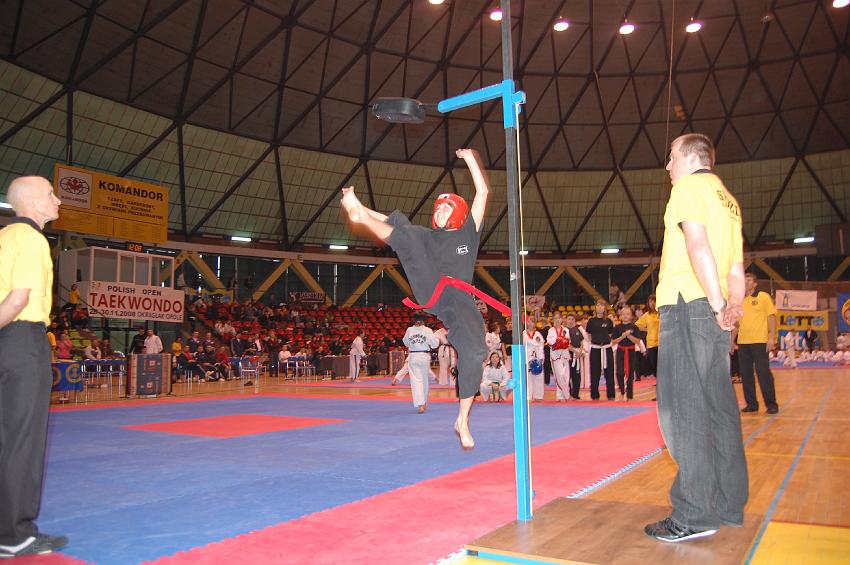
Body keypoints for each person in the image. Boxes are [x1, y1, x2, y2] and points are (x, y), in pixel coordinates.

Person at [340, 148, 490, 449]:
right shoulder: (425, 235)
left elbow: (483, 192)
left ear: (458, 213)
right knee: (407, 234)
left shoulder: (468, 233)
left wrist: (469, 158)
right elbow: (392, 223)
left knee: (475, 354)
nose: (440, 211)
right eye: (438, 208)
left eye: (446, 208)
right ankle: (359, 214)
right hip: (432, 289)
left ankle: (462, 420)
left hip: (459, 301)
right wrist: (363, 209)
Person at [644, 133, 748, 543]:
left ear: (690, 158)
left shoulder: (688, 188)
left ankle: (694, 513)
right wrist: (731, 308)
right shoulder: (728, 201)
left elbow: (697, 245)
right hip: (715, 313)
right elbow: (736, 268)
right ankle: (727, 505)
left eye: (672, 157)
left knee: (682, 410)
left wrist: (716, 302)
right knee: (719, 408)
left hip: (688, 304)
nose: (668, 166)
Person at [0, 175, 69, 558]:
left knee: (4, 436)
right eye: (50, 194)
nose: (57, 200)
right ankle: (15, 536)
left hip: (4, 342)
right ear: (30, 201)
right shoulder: (30, 238)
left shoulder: (4, 237)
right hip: (22, 339)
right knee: (22, 440)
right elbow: (17, 299)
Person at [733, 273, 779, 414]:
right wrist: (731, 340)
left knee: (763, 373)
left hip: (760, 342)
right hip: (743, 343)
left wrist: (771, 337)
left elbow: (771, 317)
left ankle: (771, 405)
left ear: (755, 283)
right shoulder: (739, 301)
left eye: (749, 280)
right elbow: (736, 324)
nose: (746, 283)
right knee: (746, 375)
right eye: (744, 280)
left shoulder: (763, 297)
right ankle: (751, 404)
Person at [402, 315, 439, 413]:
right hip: (424, 356)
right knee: (424, 380)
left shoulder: (409, 330)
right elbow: (435, 344)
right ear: (424, 321)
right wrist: (435, 338)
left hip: (413, 356)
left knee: (416, 381)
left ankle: (421, 404)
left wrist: (414, 344)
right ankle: (424, 402)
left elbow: (405, 342)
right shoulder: (427, 330)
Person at [586, 298, 614, 400]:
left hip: (606, 349)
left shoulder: (608, 321)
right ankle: (594, 395)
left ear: (605, 307)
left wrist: (604, 341)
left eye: (602, 305)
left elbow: (610, 334)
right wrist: (596, 342)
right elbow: (589, 335)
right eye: (598, 305)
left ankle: (611, 394)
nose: (599, 307)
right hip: (595, 349)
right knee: (594, 372)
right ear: (595, 307)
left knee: (609, 372)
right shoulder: (591, 321)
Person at [612, 306, 642, 401]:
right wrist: (622, 336)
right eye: (623, 314)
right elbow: (613, 342)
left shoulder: (634, 327)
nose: (625, 316)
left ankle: (629, 394)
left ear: (631, 316)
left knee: (630, 373)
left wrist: (629, 336)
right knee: (619, 372)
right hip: (620, 351)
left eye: (627, 314)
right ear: (620, 316)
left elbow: (637, 341)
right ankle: (622, 390)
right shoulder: (617, 328)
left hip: (631, 351)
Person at [546, 312, 572, 401]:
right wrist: (559, 340)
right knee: (559, 375)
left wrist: (559, 341)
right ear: (553, 320)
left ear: (561, 320)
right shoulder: (551, 330)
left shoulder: (565, 329)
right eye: (555, 318)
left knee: (566, 376)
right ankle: (567, 395)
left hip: (565, 355)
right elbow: (550, 341)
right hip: (555, 356)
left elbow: (567, 341)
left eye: (559, 318)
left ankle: (560, 396)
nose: (557, 320)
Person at [635, 294, 660, 378]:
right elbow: (637, 325)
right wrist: (647, 329)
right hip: (651, 343)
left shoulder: (661, 314)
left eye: (654, 301)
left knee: (662, 364)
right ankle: (657, 380)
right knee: (654, 364)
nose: (652, 303)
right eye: (650, 301)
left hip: (662, 342)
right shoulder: (647, 315)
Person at [523, 317, 546, 402]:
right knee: (528, 378)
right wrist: (534, 343)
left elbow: (541, 347)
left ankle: (538, 396)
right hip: (527, 357)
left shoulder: (538, 334)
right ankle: (528, 396)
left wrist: (541, 358)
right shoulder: (523, 333)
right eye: (528, 322)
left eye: (532, 322)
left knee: (538, 377)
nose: (530, 323)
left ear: (535, 323)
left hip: (537, 357)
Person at [564, 313, 585, 399]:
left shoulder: (577, 330)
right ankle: (568, 393)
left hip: (577, 355)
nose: (571, 321)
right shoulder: (564, 330)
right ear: (566, 320)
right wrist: (575, 351)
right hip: (568, 354)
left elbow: (581, 341)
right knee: (567, 374)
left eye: (572, 319)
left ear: (575, 320)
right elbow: (566, 344)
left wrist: (580, 351)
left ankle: (576, 394)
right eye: (569, 319)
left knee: (577, 375)